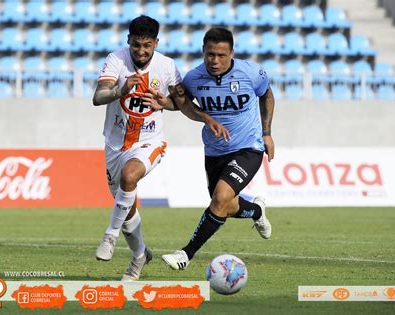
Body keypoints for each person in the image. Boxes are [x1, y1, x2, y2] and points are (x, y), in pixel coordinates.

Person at [92, 16, 228, 281]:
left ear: (156, 43)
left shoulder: (166, 66)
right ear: (127, 42)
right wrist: (120, 90)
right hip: (115, 144)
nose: (141, 52)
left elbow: (181, 103)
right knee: (126, 206)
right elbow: (98, 97)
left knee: (129, 177)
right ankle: (139, 256)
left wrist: (184, 109)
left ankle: (109, 236)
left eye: (147, 46)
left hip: (150, 141)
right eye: (135, 46)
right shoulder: (116, 60)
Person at [159, 27, 275, 270]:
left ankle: (185, 254)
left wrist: (267, 133)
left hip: (248, 148)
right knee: (224, 205)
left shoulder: (252, 72)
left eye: (222, 55)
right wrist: (165, 103)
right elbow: (183, 104)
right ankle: (256, 211)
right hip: (214, 152)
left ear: (231, 53)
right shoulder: (193, 78)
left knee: (221, 198)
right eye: (210, 54)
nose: (215, 61)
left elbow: (266, 95)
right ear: (203, 51)